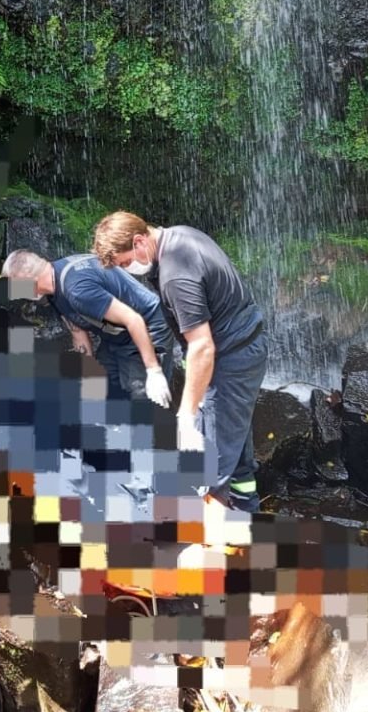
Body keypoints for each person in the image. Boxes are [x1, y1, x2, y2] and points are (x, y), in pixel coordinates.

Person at [92, 212, 268, 512]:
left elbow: (202, 347)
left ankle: (214, 543)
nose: (128, 270)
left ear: (139, 241)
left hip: (229, 359)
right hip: (245, 345)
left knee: (205, 462)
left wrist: (186, 415)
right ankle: (246, 510)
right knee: (232, 439)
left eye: (124, 263)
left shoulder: (176, 274)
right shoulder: (180, 235)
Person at [0, 249, 174, 405]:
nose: (17, 293)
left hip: (147, 325)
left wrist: (154, 371)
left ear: (27, 278)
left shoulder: (77, 289)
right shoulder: (54, 285)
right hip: (117, 335)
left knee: (142, 395)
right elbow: (78, 332)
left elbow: (134, 319)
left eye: (17, 286)